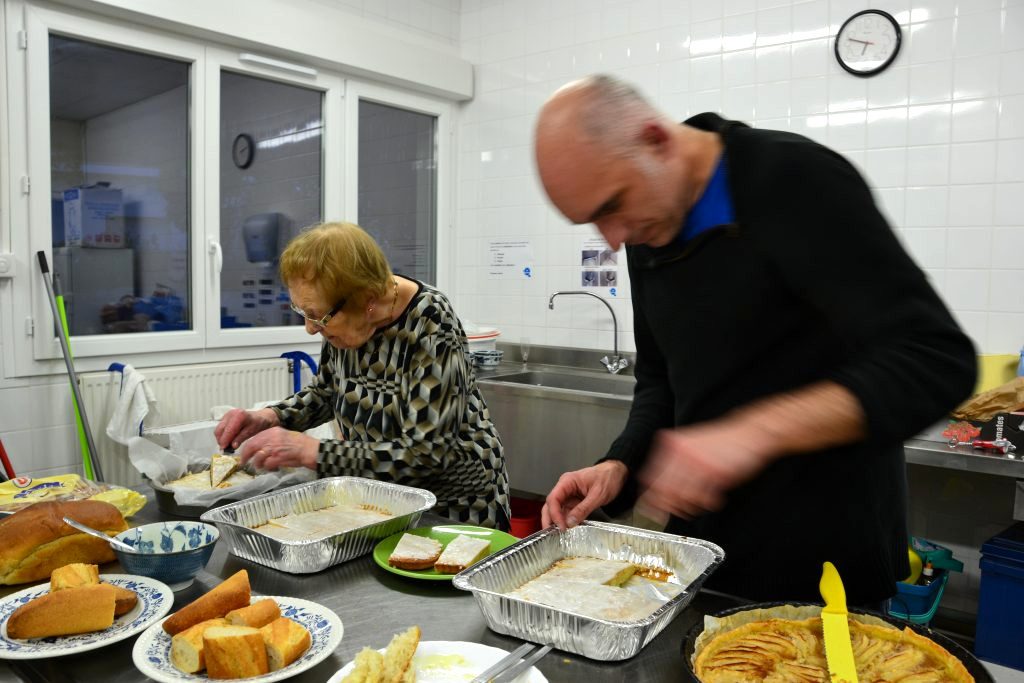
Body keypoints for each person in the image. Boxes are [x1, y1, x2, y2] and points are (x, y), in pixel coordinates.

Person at [534, 75, 976, 605]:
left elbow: (934, 359)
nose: (611, 238)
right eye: (592, 222)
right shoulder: (647, 226)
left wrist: (752, 434)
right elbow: (661, 379)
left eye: (612, 206)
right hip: (707, 558)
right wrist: (620, 464)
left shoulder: (793, 180)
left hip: (828, 564)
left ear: (657, 138)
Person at [215, 221, 511, 529]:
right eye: (303, 312)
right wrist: (271, 417)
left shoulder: (431, 321)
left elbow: (426, 453)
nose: (310, 328)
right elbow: (328, 393)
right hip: (385, 498)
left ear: (368, 299)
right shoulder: (346, 322)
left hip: (454, 505)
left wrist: (311, 451)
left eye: (318, 315)